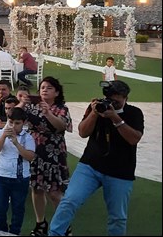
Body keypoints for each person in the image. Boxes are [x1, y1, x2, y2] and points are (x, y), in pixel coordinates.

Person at [49, 81, 143, 236]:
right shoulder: (97, 107)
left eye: (116, 101)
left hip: (120, 171)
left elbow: (134, 139)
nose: (111, 104)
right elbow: (83, 132)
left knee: (118, 217)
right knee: (69, 201)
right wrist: (93, 113)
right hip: (90, 166)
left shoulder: (134, 113)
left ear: (125, 98)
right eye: (109, 99)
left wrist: (115, 118)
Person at [17, 76, 72, 237]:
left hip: (53, 153)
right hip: (35, 151)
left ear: (57, 92)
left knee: (55, 192)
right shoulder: (31, 106)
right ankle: (40, 223)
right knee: (37, 188)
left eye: (49, 88)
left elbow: (61, 126)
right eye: (42, 88)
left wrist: (48, 113)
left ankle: (64, 225)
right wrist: (22, 103)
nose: (45, 90)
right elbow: (14, 116)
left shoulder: (61, 108)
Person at [0, 107, 36, 235]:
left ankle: (14, 232)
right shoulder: (2, 133)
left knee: (18, 209)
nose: (13, 126)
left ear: (24, 123)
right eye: (11, 122)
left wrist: (16, 143)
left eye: (17, 123)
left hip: (20, 178)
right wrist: (3, 137)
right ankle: (2, 232)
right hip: (1, 175)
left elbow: (30, 157)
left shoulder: (27, 138)